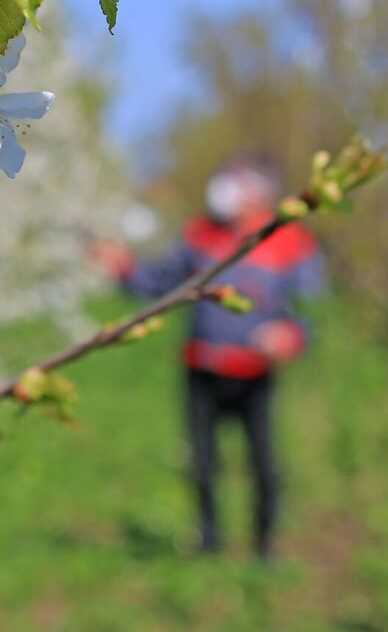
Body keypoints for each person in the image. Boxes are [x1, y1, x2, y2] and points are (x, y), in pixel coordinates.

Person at [93, 158, 324, 558]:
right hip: (202, 369)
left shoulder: (291, 241)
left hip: (254, 374)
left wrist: (292, 335)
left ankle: (264, 546)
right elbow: (161, 281)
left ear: (260, 194)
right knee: (202, 463)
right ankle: (209, 539)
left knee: (264, 464)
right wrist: (123, 268)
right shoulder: (200, 234)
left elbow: (312, 309)